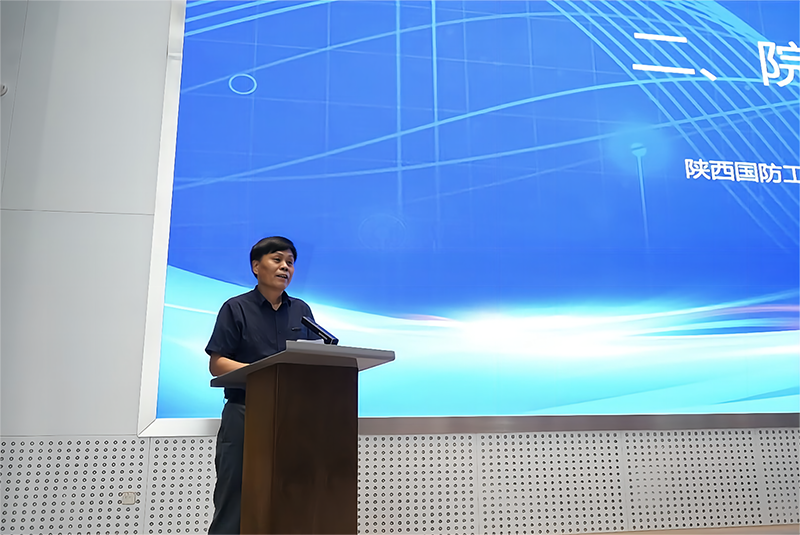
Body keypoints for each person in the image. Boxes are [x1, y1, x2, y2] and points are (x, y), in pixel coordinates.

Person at [205, 236, 319, 535]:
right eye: (277, 259)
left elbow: (313, 360)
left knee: (291, 497)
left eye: (290, 262)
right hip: (246, 412)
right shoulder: (236, 308)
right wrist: (266, 372)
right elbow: (218, 363)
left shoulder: (302, 311)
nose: (285, 267)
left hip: (292, 417)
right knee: (235, 498)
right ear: (256, 266)